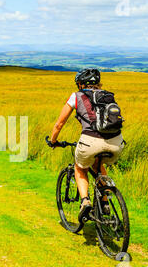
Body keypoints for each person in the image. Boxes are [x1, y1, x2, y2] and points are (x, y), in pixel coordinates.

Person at [48, 68, 125, 221]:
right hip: (117, 142)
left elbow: (59, 124)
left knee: (79, 168)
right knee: (98, 166)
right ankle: (105, 202)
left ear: (81, 84)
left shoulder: (76, 96)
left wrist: (53, 141)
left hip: (91, 141)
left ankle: (85, 201)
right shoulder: (108, 96)